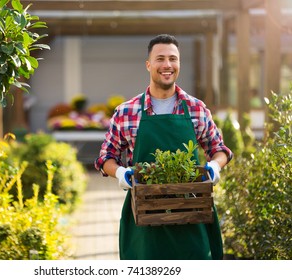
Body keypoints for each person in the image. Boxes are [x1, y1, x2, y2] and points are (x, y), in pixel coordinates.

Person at [94, 34, 233, 260]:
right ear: (148, 65)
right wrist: (120, 172)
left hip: (192, 213)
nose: (167, 65)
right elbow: (105, 157)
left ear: (179, 64)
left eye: (173, 59)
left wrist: (215, 166)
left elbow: (219, 149)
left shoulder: (196, 108)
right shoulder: (126, 112)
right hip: (144, 218)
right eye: (160, 59)